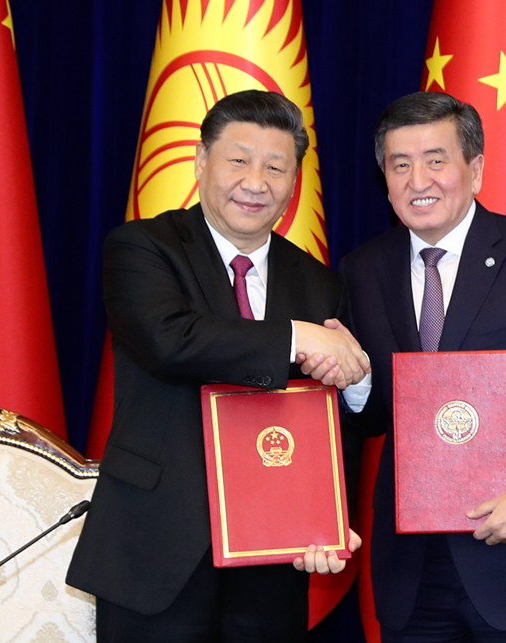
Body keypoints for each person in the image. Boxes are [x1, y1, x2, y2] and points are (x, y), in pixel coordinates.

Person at [314, 91, 506, 641]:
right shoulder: (363, 269)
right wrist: (358, 383)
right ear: (384, 179)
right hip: (414, 573)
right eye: (400, 165)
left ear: (476, 169)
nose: (418, 180)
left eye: (436, 160)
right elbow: (376, 418)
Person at [67, 90, 368, 643]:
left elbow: (328, 422)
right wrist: (294, 336)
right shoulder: (143, 247)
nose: (256, 182)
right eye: (239, 160)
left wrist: (327, 514)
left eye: (275, 167)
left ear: (294, 183)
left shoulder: (318, 282)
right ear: (202, 161)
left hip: (273, 556)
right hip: (157, 544)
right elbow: (170, 341)